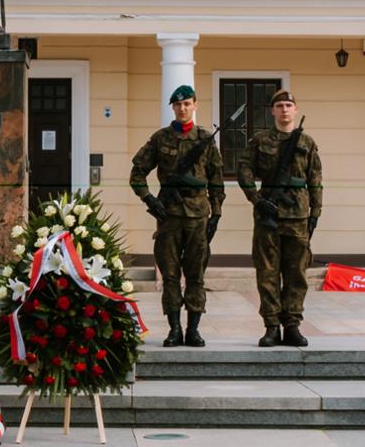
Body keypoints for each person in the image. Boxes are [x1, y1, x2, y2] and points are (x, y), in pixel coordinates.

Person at [129, 84, 225, 347]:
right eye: (177, 105)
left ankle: (193, 329)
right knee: (170, 275)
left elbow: (216, 181)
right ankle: (174, 329)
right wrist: (148, 198)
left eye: (187, 104)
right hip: (169, 216)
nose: (182, 108)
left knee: (196, 274)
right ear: (172, 107)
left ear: (195, 105)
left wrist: (216, 214)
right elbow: (137, 173)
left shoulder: (205, 139)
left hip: (197, 216)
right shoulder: (160, 139)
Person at [236, 89, 324, 347]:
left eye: (289, 105)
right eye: (280, 106)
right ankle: (272, 326)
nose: (285, 110)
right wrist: (256, 198)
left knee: (297, 273)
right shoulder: (260, 140)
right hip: (269, 215)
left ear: (295, 110)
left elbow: (316, 181)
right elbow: (244, 169)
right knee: (267, 272)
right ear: (272, 111)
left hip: (298, 216)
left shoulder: (306, 143)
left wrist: (315, 212)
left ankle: (292, 325)